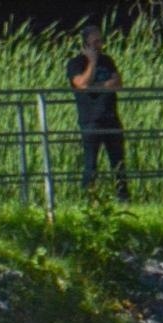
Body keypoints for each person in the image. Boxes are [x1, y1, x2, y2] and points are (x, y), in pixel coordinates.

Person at [66, 23, 130, 202]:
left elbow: (117, 82)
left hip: (111, 118)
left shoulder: (108, 61)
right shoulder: (76, 63)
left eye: (100, 41)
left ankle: (123, 197)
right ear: (86, 43)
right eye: (95, 42)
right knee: (91, 164)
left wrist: (96, 86)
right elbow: (81, 84)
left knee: (118, 162)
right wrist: (92, 63)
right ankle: (88, 198)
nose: (99, 45)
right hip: (90, 120)